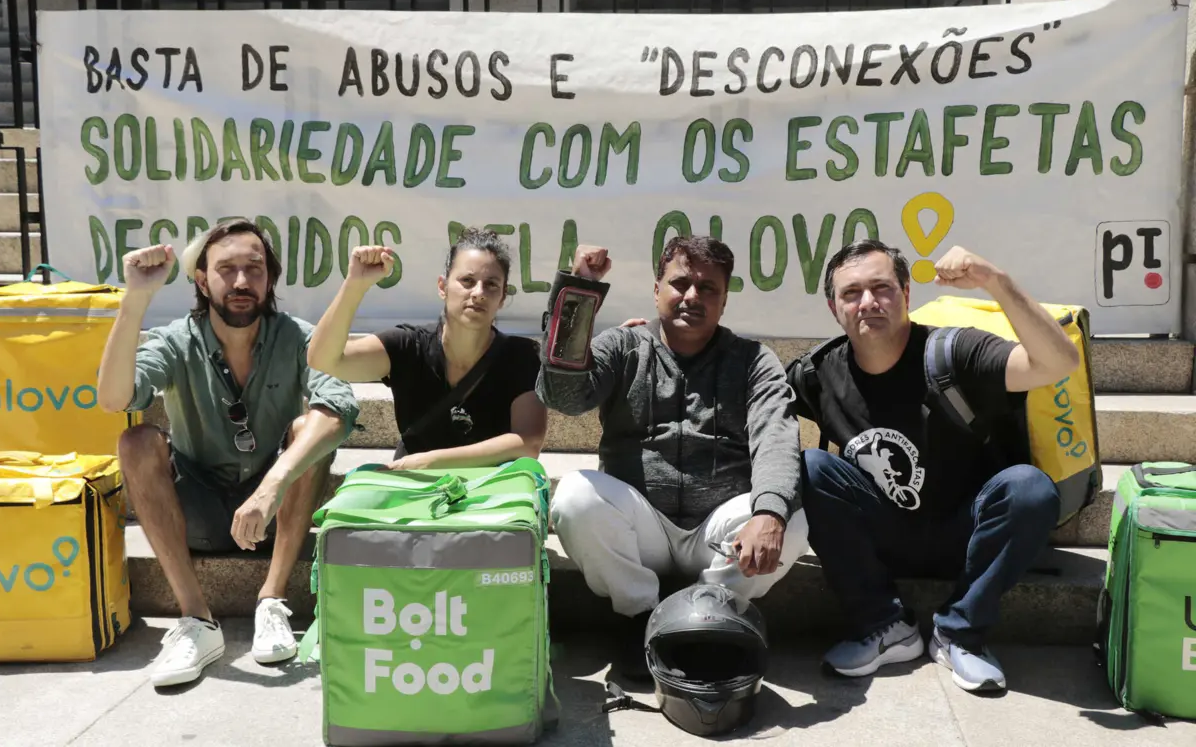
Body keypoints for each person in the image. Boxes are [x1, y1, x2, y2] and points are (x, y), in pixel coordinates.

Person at [791, 240, 1077, 692]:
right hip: (883, 534)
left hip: (965, 532)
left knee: (1029, 489)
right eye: (851, 293)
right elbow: (749, 405)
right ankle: (884, 626)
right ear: (834, 307)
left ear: (906, 293)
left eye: (882, 288)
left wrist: (996, 281)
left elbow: (1058, 362)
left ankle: (960, 634)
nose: (868, 302)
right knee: (810, 466)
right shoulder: (819, 371)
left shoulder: (954, 352)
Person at [96, 218, 359, 688]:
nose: (241, 282)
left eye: (254, 269)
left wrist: (273, 485)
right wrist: (135, 298)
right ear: (202, 280)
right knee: (136, 441)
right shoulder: (177, 339)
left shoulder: (299, 337)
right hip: (195, 507)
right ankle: (197, 620)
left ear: (270, 278)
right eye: (226, 269)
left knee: (312, 429)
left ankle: (272, 600)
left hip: (273, 510)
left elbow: (340, 407)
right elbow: (115, 398)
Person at [537, 236, 808, 680]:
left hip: (718, 534)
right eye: (680, 283)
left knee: (790, 515)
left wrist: (770, 513)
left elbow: (776, 437)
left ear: (724, 301)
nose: (692, 296)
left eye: (708, 288)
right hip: (642, 528)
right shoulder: (623, 346)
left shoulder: (753, 360)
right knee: (574, 496)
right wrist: (579, 292)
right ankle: (640, 619)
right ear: (656, 289)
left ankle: (712, 615)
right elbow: (562, 396)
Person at [307, 227, 546, 469]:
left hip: (491, 487)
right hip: (414, 486)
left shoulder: (522, 356)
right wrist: (355, 284)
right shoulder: (408, 345)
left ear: (502, 297)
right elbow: (323, 360)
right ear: (442, 287)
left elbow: (528, 442)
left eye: (492, 284)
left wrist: (429, 461)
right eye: (467, 281)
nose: (479, 293)